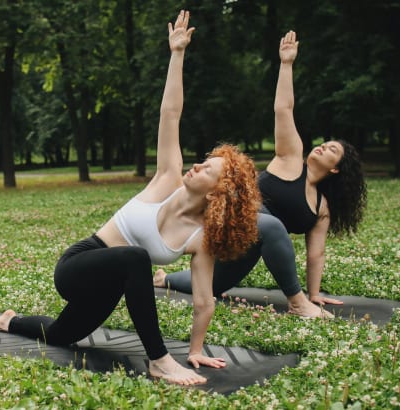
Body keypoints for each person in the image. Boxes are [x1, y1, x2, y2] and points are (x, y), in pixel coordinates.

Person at [0, 10, 262, 386]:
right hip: (79, 264)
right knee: (137, 257)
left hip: (113, 282)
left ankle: (7, 319)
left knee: (63, 334)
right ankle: (158, 361)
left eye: (208, 169)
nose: (196, 165)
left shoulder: (200, 238)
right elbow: (170, 114)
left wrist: (195, 350)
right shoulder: (166, 179)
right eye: (202, 161)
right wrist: (177, 55)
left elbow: (204, 300)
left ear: (218, 193)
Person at [155, 30, 367, 318]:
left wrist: (316, 293)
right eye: (323, 143)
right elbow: (283, 109)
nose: (321, 147)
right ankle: (296, 303)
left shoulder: (321, 208)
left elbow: (316, 253)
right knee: (272, 225)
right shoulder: (291, 158)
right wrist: (287, 65)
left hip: (245, 247)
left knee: (214, 283)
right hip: (228, 222)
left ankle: (164, 279)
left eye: (331, 150)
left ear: (336, 169)